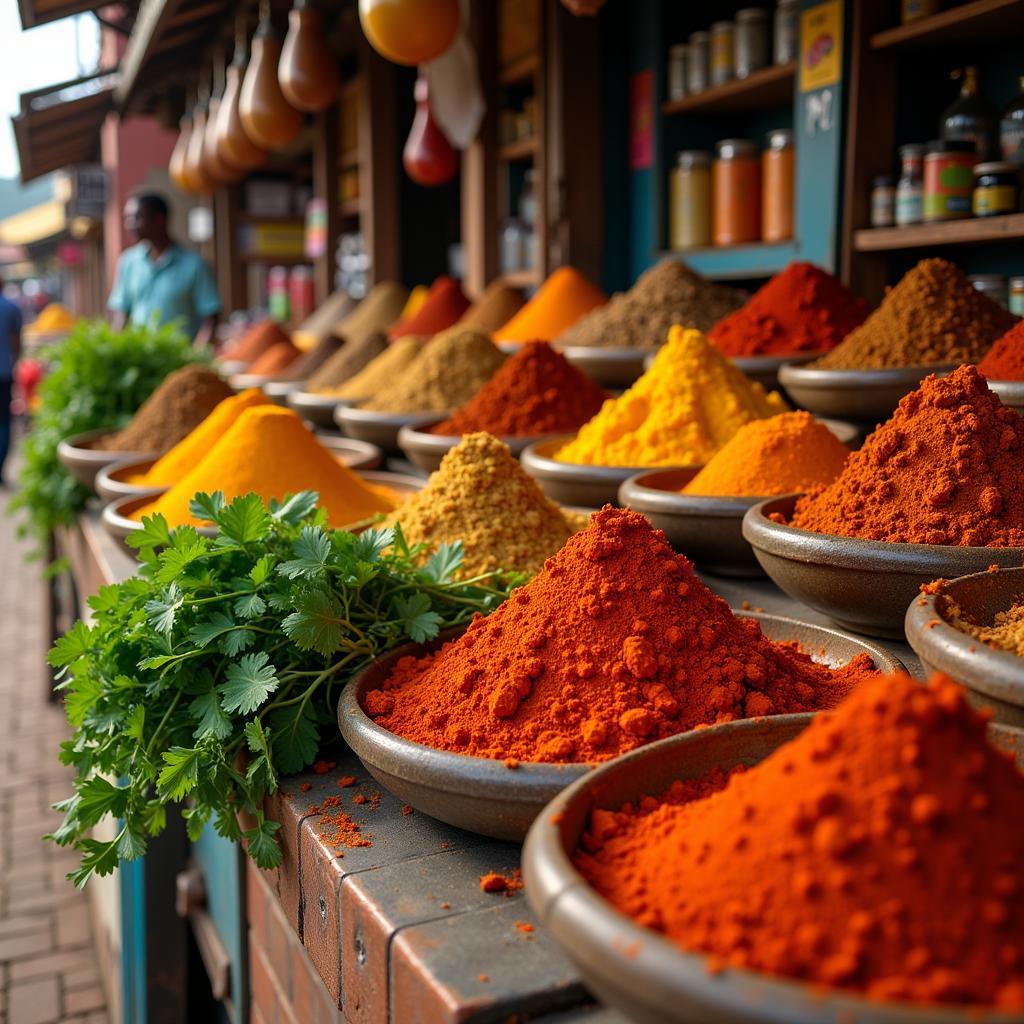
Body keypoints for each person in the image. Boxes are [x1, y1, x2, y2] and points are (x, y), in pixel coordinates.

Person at [108, 193, 221, 346]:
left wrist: (197, 353)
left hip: (180, 359)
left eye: (137, 218)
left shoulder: (194, 265)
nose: (130, 224)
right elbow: (121, 310)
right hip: (140, 356)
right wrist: (115, 346)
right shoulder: (128, 262)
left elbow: (211, 317)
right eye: (127, 218)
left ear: (159, 219)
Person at [0, 277, 22, 486]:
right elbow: (17, 343)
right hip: (4, 373)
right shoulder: (10, 308)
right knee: (4, 422)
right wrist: (15, 363)